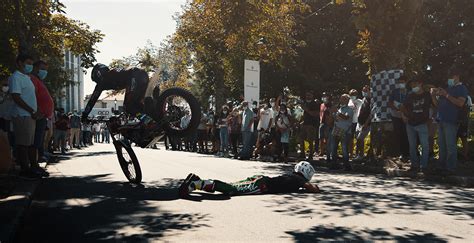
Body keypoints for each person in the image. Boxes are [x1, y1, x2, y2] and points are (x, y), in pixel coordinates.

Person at [178, 161, 320, 198]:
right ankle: (195, 185)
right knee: (232, 190)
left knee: (231, 187)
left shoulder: (294, 177)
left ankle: (198, 181)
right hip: (262, 184)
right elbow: (312, 188)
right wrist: (317, 188)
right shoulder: (298, 179)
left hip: (261, 181)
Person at [431, 67, 469, 174]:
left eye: (450, 77)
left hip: (451, 120)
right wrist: (433, 96)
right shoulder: (447, 88)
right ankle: (441, 166)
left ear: (456, 77)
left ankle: (450, 168)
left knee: (450, 145)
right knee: (442, 145)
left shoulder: (461, 88)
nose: (449, 80)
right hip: (441, 120)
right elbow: (437, 105)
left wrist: (446, 95)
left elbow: (460, 103)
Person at [9, 54, 40, 179]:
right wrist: (31, 110)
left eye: (31, 63)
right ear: (20, 63)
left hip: (29, 115)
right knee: (22, 144)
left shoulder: (26, 77)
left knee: (28, 143)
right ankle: (24, 170)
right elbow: (16, 97)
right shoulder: (16, 77)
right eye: (28, 63)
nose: (30, 66)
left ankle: (29, 168)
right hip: (22, 115)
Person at [82, 63, 150, 120]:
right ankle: (150, 118)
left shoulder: (104, 81)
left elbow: (92, 100)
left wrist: (85, 115)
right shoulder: (112, 73)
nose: (97, 83)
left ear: (98, 75)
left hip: (134, 77)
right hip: (143, 75)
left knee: (129, 106)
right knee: (138, 104)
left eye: (96, 81)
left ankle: (146, 120)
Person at [400, 77, 432, 174]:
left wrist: (431, 119)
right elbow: (402, 106)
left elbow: (434, 106)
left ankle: (424, 166)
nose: (413, 87)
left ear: (420, 83)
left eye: (414, 85)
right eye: (411, 85)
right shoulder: (410, 95)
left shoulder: (427, 95)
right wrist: (403, 116)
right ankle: (414, 165)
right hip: (410, 123)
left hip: (422, 123)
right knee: (412, 146)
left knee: (425, 146)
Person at [30, 61, 54, 175]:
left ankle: (36, 164)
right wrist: (38, 109)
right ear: (35, 68)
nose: (45, 72)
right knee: (35, 142)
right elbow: (32, 95)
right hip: (38, 115)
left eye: (46, 70)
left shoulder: (39, 80)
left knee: (38, 142)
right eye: (42, 69)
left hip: (42, 117)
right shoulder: (33, 79)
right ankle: (33, 165)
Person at [330, 94, 353, 170]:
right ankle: (334, 164)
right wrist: (332, 113)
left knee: (344, 148)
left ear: (347, 100)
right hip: (336, 129)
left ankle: (347, 165)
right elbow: (336, 119)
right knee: (333, 147)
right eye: (341, 98)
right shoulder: (339, 109)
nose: (341, 100)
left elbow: (346, 117)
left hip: (345, 131)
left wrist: (336, 112)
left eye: (343, 99)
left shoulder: (349, 109)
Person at [389, 75, 410, 160]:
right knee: (399, 134)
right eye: (399, 82)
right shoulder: (395, 91)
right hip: (396, 115)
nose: (401, 83)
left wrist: (404, 111)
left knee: (407, 134)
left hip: (407, 115)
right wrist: (397, 108)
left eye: (402, 82)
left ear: (405, 82)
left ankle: (409, 152)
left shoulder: (409, 92)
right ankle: (402, 153)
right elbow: (390, 103)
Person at [299, 91, 320, 161]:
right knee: (301, 138)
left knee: (310, 140)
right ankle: (302, 153)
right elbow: (303, 113)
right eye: (306, 95)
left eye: (309, 95)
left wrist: (306, 109)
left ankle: (311, 154)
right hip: (304, 123)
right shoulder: (304, 103)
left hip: (311, 124)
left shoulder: (315, 104)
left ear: (312, 96)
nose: (307, 96)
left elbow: (315, 114)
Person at [355, 86, 372, 160]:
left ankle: (361, 155)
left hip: (367, 123)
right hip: (360, 123)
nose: (364, 92)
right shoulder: (364, 99)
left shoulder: (371, 100)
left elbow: (371, 113)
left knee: (360, 138)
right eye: (363, 90)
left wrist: (366, 123)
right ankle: (360, 154)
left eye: (366, 90)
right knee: (358, 139)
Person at [348, 89, 362, 158]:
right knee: (350, 138)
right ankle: (350, 153)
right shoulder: (349, 101)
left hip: (357, 121)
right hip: (350, 122)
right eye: (351, 95)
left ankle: (357, 153)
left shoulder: (360, 101)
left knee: (358, 138)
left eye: (354, 95)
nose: (352, 96)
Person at [457, 95, 472, 161]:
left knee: (464, 139)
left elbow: (468, 109)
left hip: (464, 122)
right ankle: (455, 155)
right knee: (455, 138)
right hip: (456, 121)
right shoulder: (455, 94)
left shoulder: (467, 97)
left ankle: (465, 155)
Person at [319, 92, 331, 157]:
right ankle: (321, 151)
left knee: (327, 138)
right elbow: (320, 114)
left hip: (327, 124)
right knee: (321, 138)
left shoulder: (330, 105)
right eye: (323, 96)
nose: (324, 97)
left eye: (325, 96)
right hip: (321, 123)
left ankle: (328, 152)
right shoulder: (322, 105)